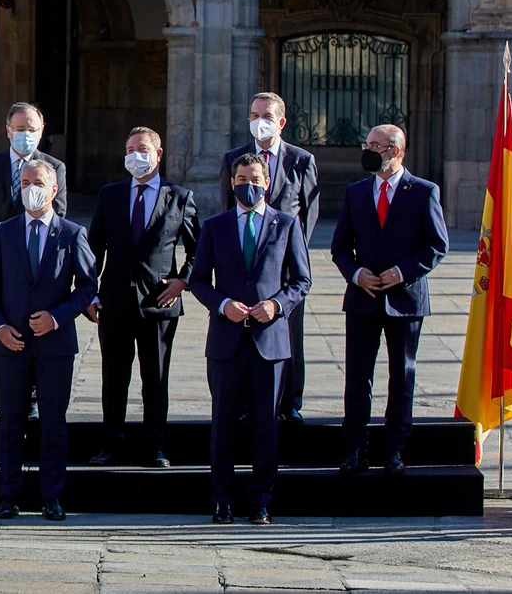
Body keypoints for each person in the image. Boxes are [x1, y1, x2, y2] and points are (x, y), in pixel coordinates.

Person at [188, 153, 312, 525]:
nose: (248, 184)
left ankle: (260, 499)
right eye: (241, 178)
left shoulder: (287, 225)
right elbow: (198, 280)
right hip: (226, 340)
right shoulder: (215, 225)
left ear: (267, 181)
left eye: (255, 178)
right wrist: (222, 304)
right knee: (223, 423)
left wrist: (276, 305)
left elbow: (301, 281)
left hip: (269, 340)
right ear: (231, 182)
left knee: (265, 424)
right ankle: (222, 498)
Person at [0, 158, 96, 522]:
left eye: (39, 182)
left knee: (52, 423)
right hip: (11, 344)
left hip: (55, 347)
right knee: (11, 421)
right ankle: (8, 495)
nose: (32, 188)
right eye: (26, 182)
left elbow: (88, 286)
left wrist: (57, 318)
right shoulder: (5, 231)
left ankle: (52, 497)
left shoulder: (73, 234)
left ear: (53, 189)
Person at [331, 124, 449, 478]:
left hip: (405, 300)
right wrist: (355, 273)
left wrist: (404, 271)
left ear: (396, 151)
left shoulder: (424, 192)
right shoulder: (355, 193)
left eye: (376, 146)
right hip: (363, 298)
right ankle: (355, 448)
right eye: (366, 144)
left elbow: (436, 245)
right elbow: (339, 247)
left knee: (402, 376)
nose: (369, 151)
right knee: (357, 377)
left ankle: (395, 449)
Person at [86, 127, 199, 467]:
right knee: (114, 377)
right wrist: (88, 291)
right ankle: (111, 443)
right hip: (115, 301)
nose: (137, 154)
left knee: (156, 379)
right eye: (131, 148)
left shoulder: (179, 197)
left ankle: (156, 445)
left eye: (144, 148)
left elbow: (199, 249)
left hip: (158, 303)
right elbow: (93, 249)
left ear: (159, 154)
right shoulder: (111, 194)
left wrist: (183, 281)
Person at [220, 92, 320, 423]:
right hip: (247, 261)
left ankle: (290, 401)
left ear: (281, 121)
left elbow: (309, 211)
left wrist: (293, 253)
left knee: (290, 331)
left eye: (265, 114)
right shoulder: (234, 158)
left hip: (286, 263)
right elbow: (227, 208)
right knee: (247, 332)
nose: (258, 120)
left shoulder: (301, 159)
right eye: (253, 114)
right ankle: (249, 402)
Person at [0, 102, 69, 425]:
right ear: (8, 130)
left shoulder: (55, 167)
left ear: (41, 132)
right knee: (0, 329)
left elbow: (61, 212)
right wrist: (4, 241)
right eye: (20, 128)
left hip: (39, 262)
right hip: (0, 260)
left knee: (38, 330)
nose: (25, 134)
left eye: (32, 129)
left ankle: (33, 400)